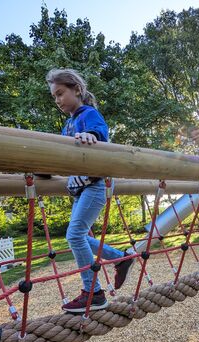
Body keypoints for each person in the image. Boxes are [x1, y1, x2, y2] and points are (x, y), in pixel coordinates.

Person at [46, 68, 134, 313]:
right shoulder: (68, 123)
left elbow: (99, 133)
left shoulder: (87, 113)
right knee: (79, 236)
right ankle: (121, 257)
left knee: (74, 235)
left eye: (60, 93)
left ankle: (93, 292)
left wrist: (90, 135)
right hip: (80, 187)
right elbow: (65, 156)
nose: (58, 100)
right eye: (54, 96)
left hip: (95, 183)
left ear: (77, 90)